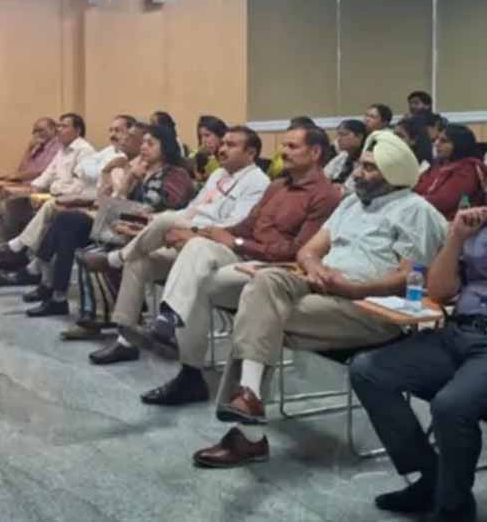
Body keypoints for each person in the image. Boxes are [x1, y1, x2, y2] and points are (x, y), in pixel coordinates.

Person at [191, 130, 447, 468]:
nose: (358, 173)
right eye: (361, 165)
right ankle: (248, 397)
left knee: (259, 317)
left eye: (370, 168)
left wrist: (353, 289)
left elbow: (409, 278)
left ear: (394, 173)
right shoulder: (352, 203)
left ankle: (248, 434)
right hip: (320, 286)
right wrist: (315, 268)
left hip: (368, 307)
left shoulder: (416, 211)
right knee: (265, 281)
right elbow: (308, 250)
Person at [109, 125, 343, 405]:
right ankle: (168, 330)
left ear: (315, 153)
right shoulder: (278, 186)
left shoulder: (326, 195)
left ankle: (187, 368)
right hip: (244, 256)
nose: (283, 152)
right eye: (284, 145)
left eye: (292, 147)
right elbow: (245, 226)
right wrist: (210, 234)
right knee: (196, 250)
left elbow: (298, 251)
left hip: (275, 269)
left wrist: (237, 243)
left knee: (197, 277)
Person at [78, 125, 271, 359]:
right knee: (138, 261)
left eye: (231, 145)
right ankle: (125, 341)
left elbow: (234, 226)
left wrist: (187, 231)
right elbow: (191, 210)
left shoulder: (258, 182)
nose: (222, 149)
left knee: (167, 220)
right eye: (223, 144)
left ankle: (115, 259)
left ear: (250, 153)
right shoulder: (219, 175)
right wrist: (151, 222)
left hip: (218, 249)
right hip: (188, 240)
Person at [350, 206, 487, 522]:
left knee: (451, 406)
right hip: (459, 331)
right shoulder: (476, 224)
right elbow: (439, 291)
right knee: (368, 370)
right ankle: (433, 477)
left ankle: (454, 507)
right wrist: (456, 238)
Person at [23, 124, 193, 317]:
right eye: (144, 143)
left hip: (147, 232)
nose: (144, 147)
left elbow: (154, 208)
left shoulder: (175, 174)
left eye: (150, 143)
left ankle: (51, 285)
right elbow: (116, 199)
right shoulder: (137, 168)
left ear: (166, 147)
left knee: (68, 221)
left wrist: (128, 183)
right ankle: (56, 292)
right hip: (118, 223)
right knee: (66, 222)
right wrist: (129, 177)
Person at [0, 116, 133, 285]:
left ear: (77, 130)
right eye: (111, 130)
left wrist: (105, 171)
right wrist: (35, 188)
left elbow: (86, 183)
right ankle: (12, 259)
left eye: (119, 131)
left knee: (55, 214)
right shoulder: (107, 152)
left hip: (91, 204)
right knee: (13, 206)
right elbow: (67, 172)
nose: (113, 135)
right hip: (79, 198)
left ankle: (20, 257)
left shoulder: (87, 150)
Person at [0, 117, 61, 254]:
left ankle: (9, 254)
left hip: (41, 194)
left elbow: (43, 171)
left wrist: (17, 176)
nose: (38, 134)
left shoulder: (57, 147)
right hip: (25, 190)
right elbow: (22, 169)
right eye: (35, 131)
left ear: (53, 129)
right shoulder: (39, 148)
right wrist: (29, 149)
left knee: (10, 209)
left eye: (41, 130)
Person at [415, 124, 487, 220]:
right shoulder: (439, 164)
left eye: (444, 141)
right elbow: (417, 187)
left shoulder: (468, 169)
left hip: (451, 223)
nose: (436, 144)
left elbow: (443, 202)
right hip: (426, 215)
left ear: (459, 145)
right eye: (437, 139)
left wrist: (412, 202)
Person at [325, 119, 367, 194]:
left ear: (359, 136)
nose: (338, 139)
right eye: (338, 135)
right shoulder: (343, 155)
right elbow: (324, 176)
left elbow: (352, 189)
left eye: (343, 135)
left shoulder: (366, 160)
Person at [189, 116, 228, 183]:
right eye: (200, 137)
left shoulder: (230, 159)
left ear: (220, 135)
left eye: (207, 135)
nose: (203, 140)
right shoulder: (198, 156)